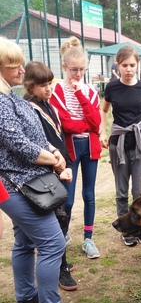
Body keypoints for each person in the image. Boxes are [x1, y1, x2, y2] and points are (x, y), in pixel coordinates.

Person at [0, 37, 80, 303]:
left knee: (23, 241)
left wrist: (55, 151)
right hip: (15, 185)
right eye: (13, 65)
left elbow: (35, 135)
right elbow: (18, 144)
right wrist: (54, 160)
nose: (21, 69)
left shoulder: (10, 97)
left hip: (23, 182)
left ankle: (25, 297)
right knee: (52, 242)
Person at [23, 61, 77, 291]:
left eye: (50, 83)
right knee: (57, 219)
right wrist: (58, 167)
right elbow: (38, 145)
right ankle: (60, 269)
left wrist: (67, 163)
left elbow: (58, 137)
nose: (48, 88)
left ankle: (61, 261)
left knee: (64, 214)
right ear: (30, 85)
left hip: (60, 168)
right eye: (42, 85)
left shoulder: (48, 104)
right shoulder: (29, 109)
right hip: (47, 174)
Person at [100, 45, 141, 246]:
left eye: (132, 65)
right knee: (121, 190)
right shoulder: (112, 87)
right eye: (124, 65)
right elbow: (104, 110)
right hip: (119, 142)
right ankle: (126, 231)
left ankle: (140, 227)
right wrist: (102, 131)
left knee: (140, 190)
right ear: (118, 65)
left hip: (140, 142)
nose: (128, 69)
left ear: (138, 65)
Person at [50, 36, 102, 259]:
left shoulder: (90, 91)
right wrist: (87, 125)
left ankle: (88, 239)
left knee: (89, 194)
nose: (78, 74)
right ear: (64, 67)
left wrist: (80, 93)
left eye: (81, 70)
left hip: (90, 148)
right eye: (73, 70)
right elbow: (64, 124)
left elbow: (97, 122)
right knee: (67, 199)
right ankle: (62, 235)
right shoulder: (56, 92)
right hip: (69, 149)